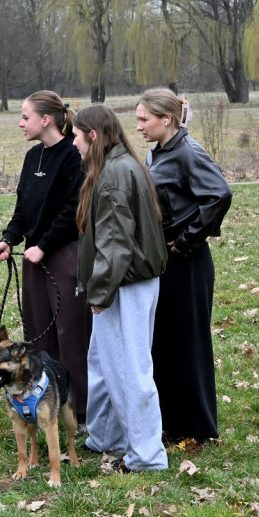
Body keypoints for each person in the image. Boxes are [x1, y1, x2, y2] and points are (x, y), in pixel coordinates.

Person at [72, 104, 169, 473]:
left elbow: (115, 243)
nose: (75, 144)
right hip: (129, 283)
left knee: (129, 370)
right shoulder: (121, 164)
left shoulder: (113, 174)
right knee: (103, 362)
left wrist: (99, 292)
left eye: (78, 137)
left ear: (93, 135)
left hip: (124, 285)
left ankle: (146, 456)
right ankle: (106, 437)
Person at [0, 90, 92, 432]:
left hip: (63, 255)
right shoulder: (32, 157)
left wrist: (44, 245)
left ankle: (80, 414)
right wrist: (8, 239)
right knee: (38, 335)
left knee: (70, 336)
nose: (20, 123)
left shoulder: (71, 155)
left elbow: (71, 210)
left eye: (24, 117)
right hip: (34, 258)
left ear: (45, 120)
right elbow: (22, 209)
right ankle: (41, 408)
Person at [136, 88, 232, 447]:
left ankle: (199, 428)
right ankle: (172, 422)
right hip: (164, 261)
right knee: (165, 343)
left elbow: (219, 194)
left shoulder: (189, 153)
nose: (140, 126)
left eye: (145, 119)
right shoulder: (158, 152)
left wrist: (187, 240)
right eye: (138, 120)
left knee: (189, 343)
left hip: (187, 263)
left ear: (167, 119)